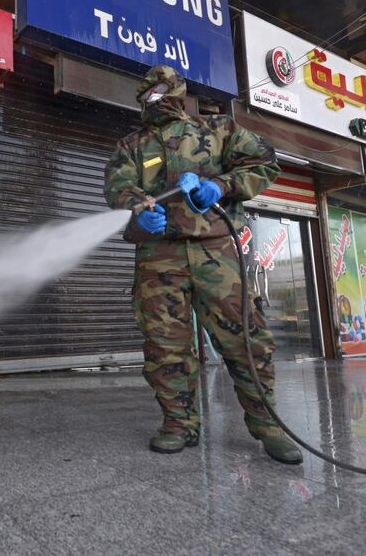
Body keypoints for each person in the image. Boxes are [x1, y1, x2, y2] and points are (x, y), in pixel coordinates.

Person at [104, 64, 302, 464]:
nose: (153, 97)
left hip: (217, 252)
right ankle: (178, 424)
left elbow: (263, 162)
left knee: (244, 338)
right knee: (165, 346)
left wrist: (221, 186)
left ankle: (268, 427)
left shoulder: (219, 130)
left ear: (177, 90)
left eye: (160, 89)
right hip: (159, 256)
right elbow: (117, 187)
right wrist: (136, 211)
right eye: (147, 92)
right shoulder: (132, 144)